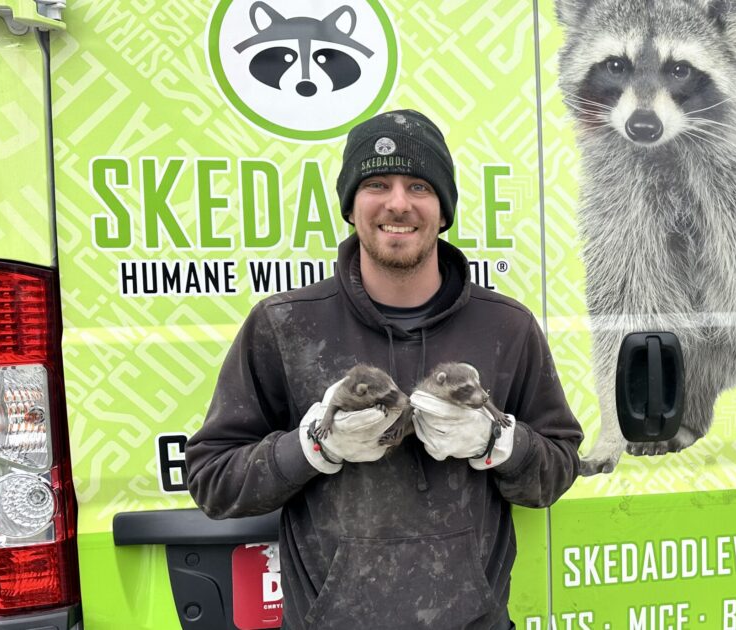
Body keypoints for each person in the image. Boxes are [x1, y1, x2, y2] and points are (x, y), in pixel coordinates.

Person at [185, 109, 583, 629]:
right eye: (376, 184)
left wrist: (498, 442)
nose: (398, 203)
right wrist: (312, 447)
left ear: (443, 211)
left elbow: (556, 470)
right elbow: (213, 480)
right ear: (351, 207)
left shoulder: (505, 328)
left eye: (419, 185)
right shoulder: (286, 325)